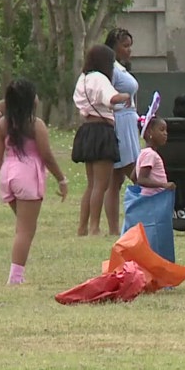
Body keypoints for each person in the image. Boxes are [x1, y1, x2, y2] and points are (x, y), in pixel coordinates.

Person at [0, 78, 69, 285]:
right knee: (25, 230)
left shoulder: (2, 125)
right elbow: (46, 155)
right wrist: (61, 179)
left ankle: (17, 273)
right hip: (27, 175)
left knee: (22, 227)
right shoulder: (35, 124)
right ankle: (15, 277)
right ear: (31, 100)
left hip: (8, 174)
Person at [72, 44, 130, 236]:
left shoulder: (84, 78)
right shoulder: (100, 78)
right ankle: (94, 227)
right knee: (101, 184)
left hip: (87, 129)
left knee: (91, 183)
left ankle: (82, 227)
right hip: (102, 131)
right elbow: (111, 98)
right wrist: (125, 96)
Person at [104, 27, 140, 235]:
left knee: (115, 178)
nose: (129, 51)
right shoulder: (111, 69)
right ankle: (116, 227)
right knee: (133, 172)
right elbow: (105, 95)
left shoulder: (121, 68)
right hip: (119, 121)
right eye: (125, 46)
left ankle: (115, 228)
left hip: (129, 120)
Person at [135, 117, 175, 196]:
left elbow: (134, 176)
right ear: (150, 132)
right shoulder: (150, 154)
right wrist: (163, 185)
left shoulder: (144, 152)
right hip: (154, 199)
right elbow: (141, 179)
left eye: (166, 130)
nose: (165, 133)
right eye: (162, 130)